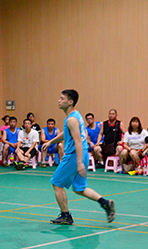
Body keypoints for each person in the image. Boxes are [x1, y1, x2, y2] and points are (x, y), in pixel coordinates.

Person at [42, 89, 115, 225]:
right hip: (82, 154)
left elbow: (77, 141)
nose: (59, 100)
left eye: (62, 98)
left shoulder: (71, 119)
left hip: (74, 156)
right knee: (80, 189)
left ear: (70, 102)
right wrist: (51, 141)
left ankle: (65, 216)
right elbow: (66, 133)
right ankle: (105, 202)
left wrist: (79, 162)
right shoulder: (75, 116)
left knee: (56, 183)